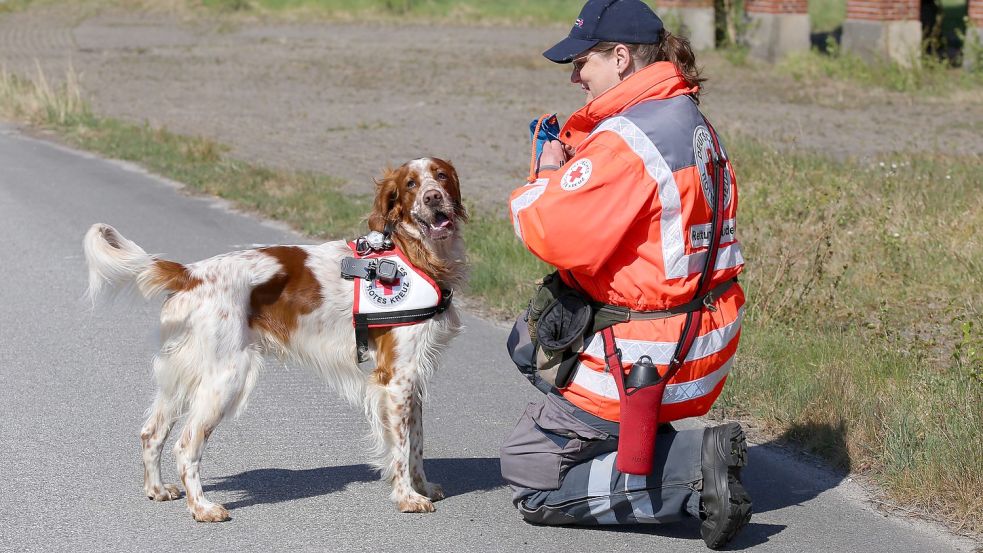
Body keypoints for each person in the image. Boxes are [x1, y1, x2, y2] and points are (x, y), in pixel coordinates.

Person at [500, 0, 751, 549]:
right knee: (527, 342)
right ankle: (649, 443)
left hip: (644, 356)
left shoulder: (631, 139)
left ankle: (688, 470)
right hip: (703, 343)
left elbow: (545, 231)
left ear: (619, 58)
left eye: (581, 62)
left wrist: (544, 174)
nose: (574, 76)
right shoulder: (687, 119)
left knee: (529, 473)